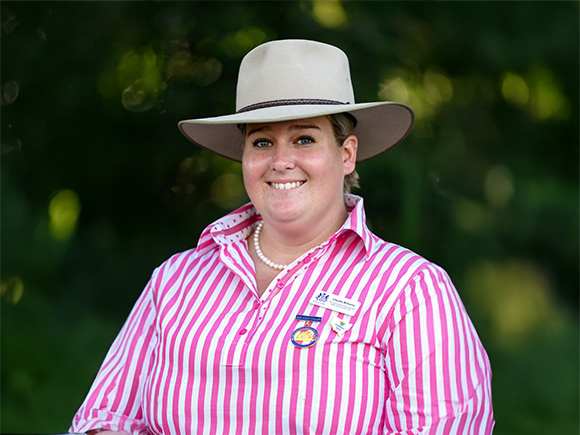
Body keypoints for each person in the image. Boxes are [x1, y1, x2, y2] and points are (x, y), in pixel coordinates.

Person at [71, 39, 494, 434]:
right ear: (244, 157)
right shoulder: (175, 280)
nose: (280, 161)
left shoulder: (410, 291)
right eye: (261, 142)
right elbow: (103, 418)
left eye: (304, 138)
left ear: (346, 154)